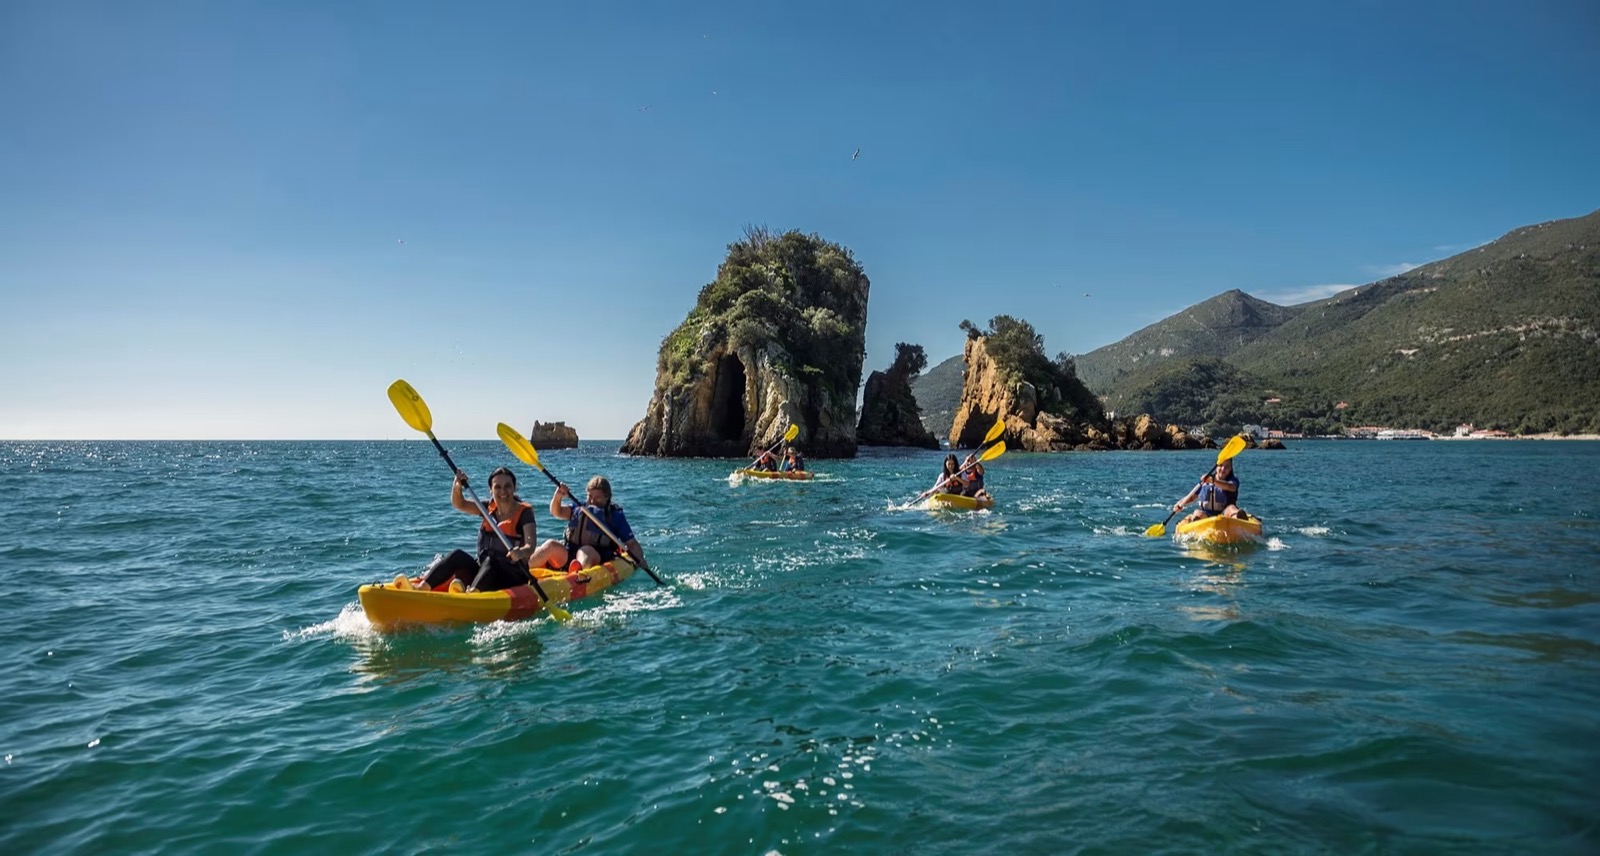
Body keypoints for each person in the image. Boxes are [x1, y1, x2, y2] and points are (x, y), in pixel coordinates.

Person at [400, 467, 537, 593]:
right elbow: (459, 503)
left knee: (491, 561)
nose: (502, 491)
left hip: (512, 577)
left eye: (507, 486)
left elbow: (530, 546)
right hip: (486, 572)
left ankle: (472, 595)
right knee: (457, 555)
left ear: (514, 488)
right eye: (497, 487)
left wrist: (521, 552)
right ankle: (422, 588)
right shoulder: (486, 508)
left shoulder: (524, 513)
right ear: (491, 490)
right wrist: (458, 485)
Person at [527, 476, 646, 572]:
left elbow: (631, 543)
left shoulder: (614, 515)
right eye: (590, 496)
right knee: (550, 544)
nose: (592, 501)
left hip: (597, 555)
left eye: (597, 498)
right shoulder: (579, 508)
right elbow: (556, 512)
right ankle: (523, 568)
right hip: (569, 554)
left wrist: (639, 560)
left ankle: (577, 576)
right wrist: (558, 496)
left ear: (607, 497)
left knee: (586, 551)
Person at [1174, 457, 1242, 521]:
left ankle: (1239, 519)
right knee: (1197, 512)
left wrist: (1214, 481)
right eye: (1221, 465)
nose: (1223, 469)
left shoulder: (1232, 481)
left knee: (1231, 508)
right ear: (1216, 467)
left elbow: (1231, 487)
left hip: (1225, 514)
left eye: (1227, 467)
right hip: (1206, 516)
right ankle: (1197, 525)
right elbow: (1192, 497)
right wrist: (1180, 503)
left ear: (1231, 469)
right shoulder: (1205, 481)